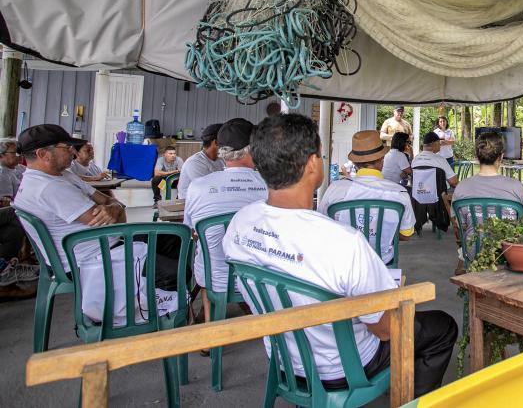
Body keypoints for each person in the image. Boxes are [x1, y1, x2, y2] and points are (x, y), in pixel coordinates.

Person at [223, 114, 457, 394]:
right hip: (345, 367)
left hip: (284, 359)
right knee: (442, 326)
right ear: (313, 163)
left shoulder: (239, 224)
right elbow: (384, 330)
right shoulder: (344, 243)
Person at [183, 118, 267, 329]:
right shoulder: (269, 185)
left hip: (215, 279)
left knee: (206, 253)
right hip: (261, 277)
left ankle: (211, 327)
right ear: (252, 148)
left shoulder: (198, 187)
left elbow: (192, 232)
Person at [12, 124, 126, 275]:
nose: (73, 151)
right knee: (167, 267)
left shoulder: (63, 175)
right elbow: (117, 223)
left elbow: (107, 201)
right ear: (43, 154)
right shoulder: (49, 187)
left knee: (166, 241)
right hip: (92, 262)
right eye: (67, 147)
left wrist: (115, 208)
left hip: (103, 250)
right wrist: (117, 208)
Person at [318, 130, 416, 265]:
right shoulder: (399, 193)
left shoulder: (335, 188)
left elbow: (324, 225)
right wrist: (380, 233)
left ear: (355, 163)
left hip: (343, 261)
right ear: (382, 161)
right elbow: (406, 234)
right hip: (382, 262)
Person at [453, 131, 523, 216]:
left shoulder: (462, 186)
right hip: (507, 230)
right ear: (501, 157)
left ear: (476, 157)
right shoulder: (516, 187)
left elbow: (457, 224)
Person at [0, 138, 37, 295]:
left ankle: (7, 270)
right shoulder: (2, 173)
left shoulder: (18, 169)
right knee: (17, 212)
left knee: (12, 230)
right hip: (11, 209)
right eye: (14, 153)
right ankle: (7, 270)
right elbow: (5, 202)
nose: (18, 156)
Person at [177, 123, 225, 199]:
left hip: (211, 200)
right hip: (190, 204)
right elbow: (209, 190)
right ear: (216, 142)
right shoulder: (194, 163)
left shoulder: (221, 160)